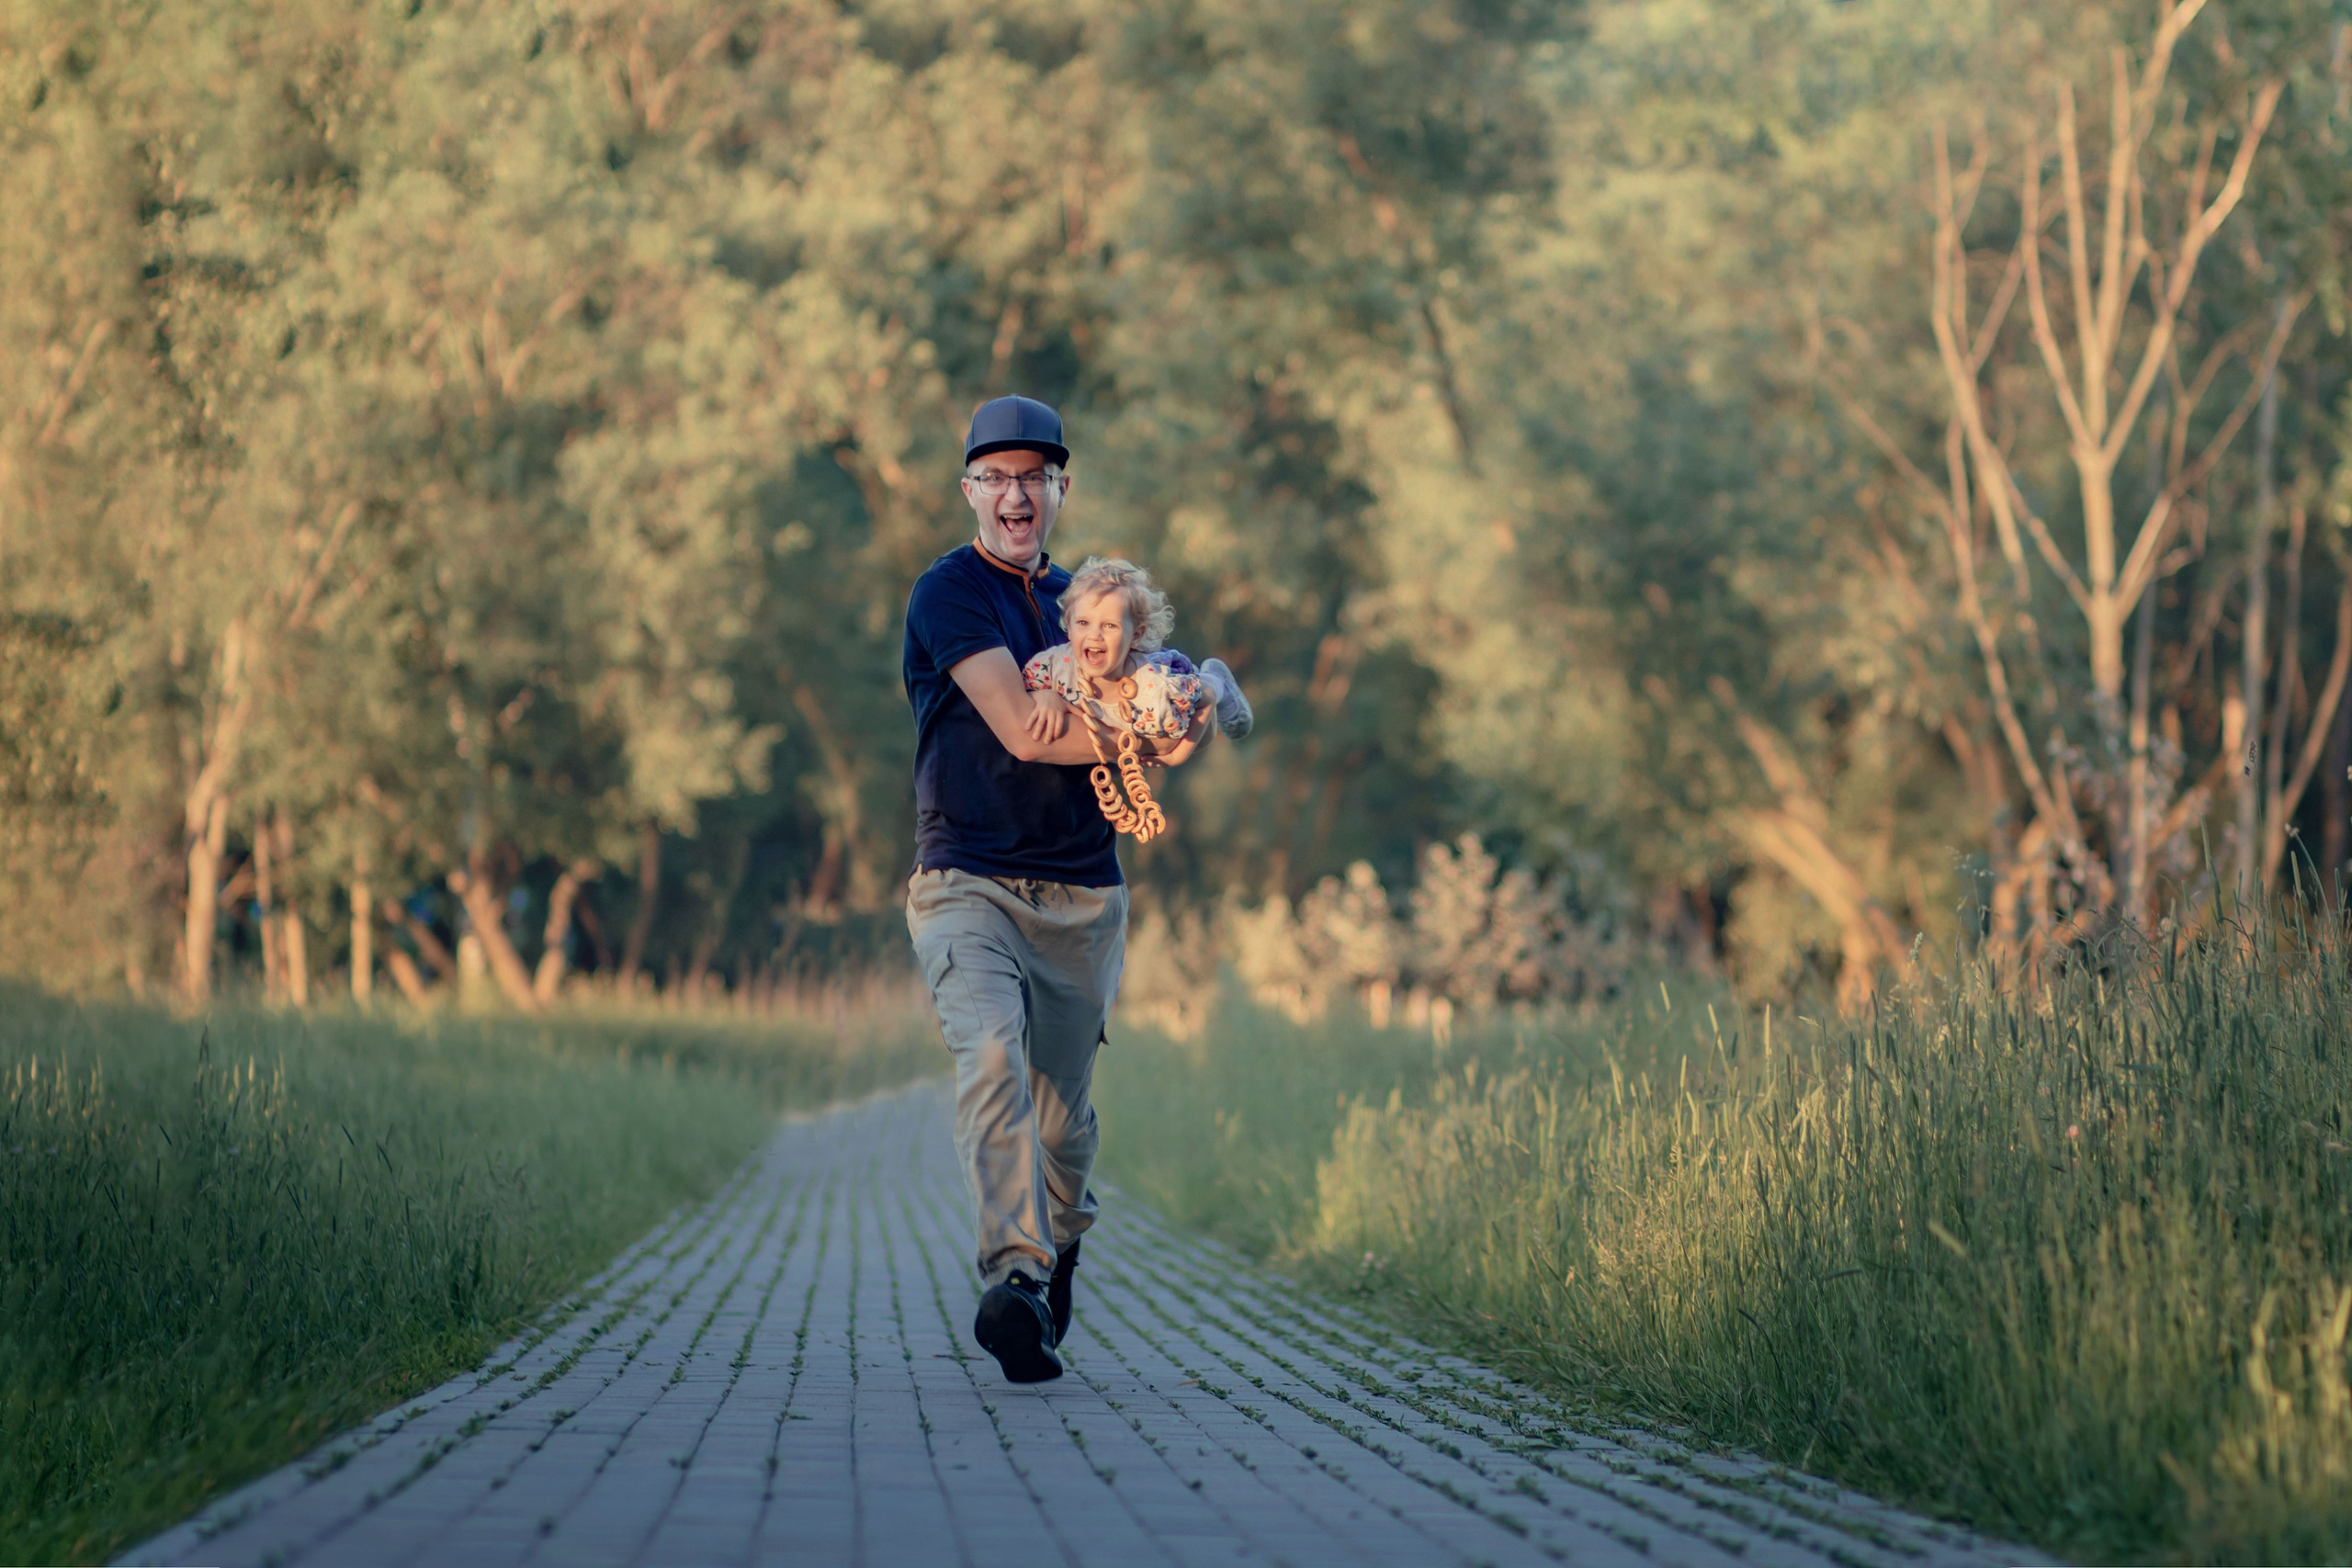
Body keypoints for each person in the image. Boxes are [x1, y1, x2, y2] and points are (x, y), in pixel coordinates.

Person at [900, 395, 1214, 1382]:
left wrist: (1183, 715)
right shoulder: (945, 594)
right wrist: (1151, 739)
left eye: (1033, 475)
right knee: (989, 1054)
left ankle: (1061, 1238)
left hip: (1082, 895)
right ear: (969, 492)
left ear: (1060, 489)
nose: (1014, 493)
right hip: (966, 883)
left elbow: (1160, 691)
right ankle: (1017, 1280)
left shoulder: (1092, 606)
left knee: (1062, 1123)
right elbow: (1025, 728)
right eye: (994, 476)